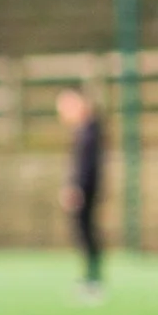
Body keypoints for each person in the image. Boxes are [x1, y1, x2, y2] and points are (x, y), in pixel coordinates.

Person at [58, 88, 104, 301]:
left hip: (86, 190)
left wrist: (76, 187)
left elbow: (86, 167)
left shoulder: (89, 131)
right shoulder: (86, 130)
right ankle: (91, 278)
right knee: (84, 234)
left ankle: (93, 280)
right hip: (85, 189)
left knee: (86, 234)